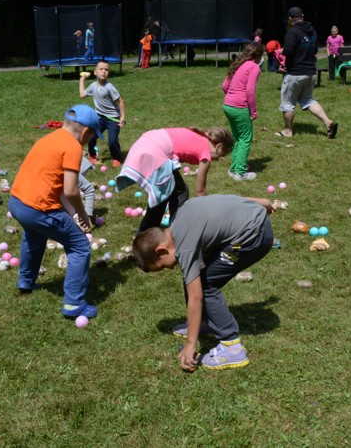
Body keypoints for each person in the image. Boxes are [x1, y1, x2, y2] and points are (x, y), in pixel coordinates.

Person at [132, 194, 276, 371]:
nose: (169, 269)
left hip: (254, 237)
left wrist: (191, 345)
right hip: (256, 218)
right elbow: (225, 199)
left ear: (161, 250)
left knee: (206, 285)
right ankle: (202, 322)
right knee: (194, 278)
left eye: (162, 266)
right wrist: (263, 202)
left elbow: (196, 297)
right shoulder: (183, 213)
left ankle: (232, 348)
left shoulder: (185, 246)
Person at [8, 104, 104, 319]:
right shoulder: (72, 147)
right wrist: (84, 214)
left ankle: (26, 281)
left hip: (17, 202)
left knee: (34, 236)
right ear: (86, 131)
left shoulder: (49, 139)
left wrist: (73, 215)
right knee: (80, 246)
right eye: (92, 136)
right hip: (39, 209)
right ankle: (74, 304)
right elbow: (71, 190)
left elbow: (57, 187)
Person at [115, 127, 234, 232]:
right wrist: (210, 214)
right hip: (154, 152)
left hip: (146, 141)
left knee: (174, 191)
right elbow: (200, 191)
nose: (218, 160)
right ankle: (164, 232)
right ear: (218, 146)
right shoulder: (206, 154)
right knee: (173, 194)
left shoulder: (199, 134)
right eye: (220, 156)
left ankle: (166, 230)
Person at [276, 7, 338, 139]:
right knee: (308, 100)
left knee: (288, 103)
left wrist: (281, 51)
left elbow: (288, 51)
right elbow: (314, 50)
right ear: (302, 16)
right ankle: (328, 122)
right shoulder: (312, 31)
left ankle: (287, 131)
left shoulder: (293, 32)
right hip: (311, 72)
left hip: (295, 73)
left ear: (289, 19)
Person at [222, 42, 264, 180]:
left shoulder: (238, 64)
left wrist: (232, 96)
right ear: (257, 56)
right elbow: (250, 90)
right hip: (240, 107)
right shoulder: (254, 67)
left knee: (238, 138)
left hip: (228, 105)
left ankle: (233, 168)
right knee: (245, 139)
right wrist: (253, 111)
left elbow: (225, 86)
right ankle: (240, 172)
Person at [79, 61, 125, 167]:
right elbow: (82, 95)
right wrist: (82, 80)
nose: (104, 71)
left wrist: (122, 117)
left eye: (106, 69)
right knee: (91, 136)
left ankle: (117, 158)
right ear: (95, 72)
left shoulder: (109, 87)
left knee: (112, 140)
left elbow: (120, 101)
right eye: (101, 69)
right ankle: (92, 155)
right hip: (100, 117)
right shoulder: (93, 86)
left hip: (113, 118)